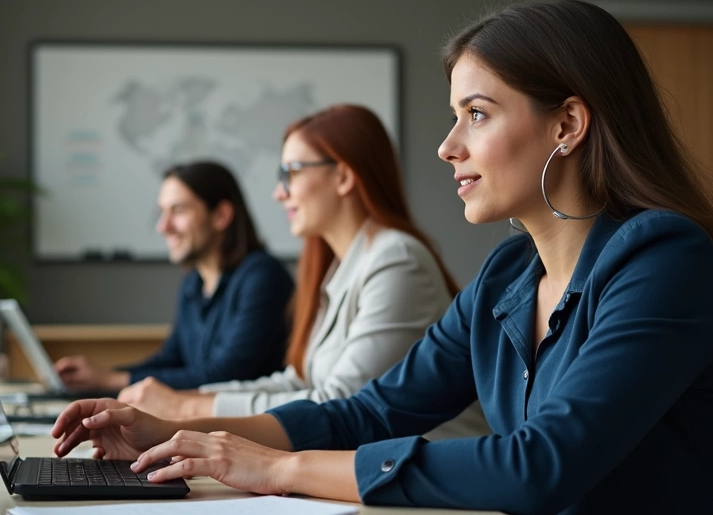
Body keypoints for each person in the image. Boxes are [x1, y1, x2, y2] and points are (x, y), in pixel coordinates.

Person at [52, 0, 713, 515]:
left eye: (476, 115)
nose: (448, 146)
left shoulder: (663, 258)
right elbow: (372, 410)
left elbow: (541, 464)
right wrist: (176, 439)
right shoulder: (508, 276)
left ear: (569, 125)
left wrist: (275, 469)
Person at [119, 105, 486, 440]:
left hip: (435, 485)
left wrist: (184, 408)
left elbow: (340, 402)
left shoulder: (397, 260)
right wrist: (182, 399)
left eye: (290, 173)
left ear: (343, 177)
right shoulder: (342, 266)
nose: (280, 193)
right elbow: (299, 380)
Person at [54, 161, 294, 392]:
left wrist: (113, 380)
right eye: (162, 212)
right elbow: (172, 359)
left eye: (178, 211)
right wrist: (99, 376)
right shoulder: (194, 282)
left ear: (221, 215)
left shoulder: (263, 276)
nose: (163, 226)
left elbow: (226, 373)